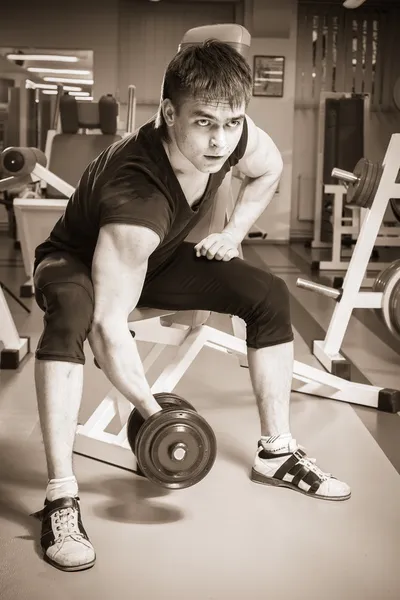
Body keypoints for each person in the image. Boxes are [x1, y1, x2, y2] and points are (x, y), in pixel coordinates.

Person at [32, 40, 351, 573]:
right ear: (168, 113)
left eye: (231, 122)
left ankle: (277, 452)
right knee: (71, 315)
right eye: (204, 122)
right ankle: (60, 497)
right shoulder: (138, 193)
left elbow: (268, 169)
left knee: (268, 295)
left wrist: (234, 231)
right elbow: (109, 329)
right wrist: (155, 414)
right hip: (77, 258)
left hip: (153, 255)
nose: (220, 139)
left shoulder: (235, 136)